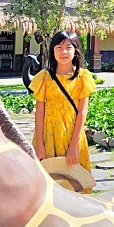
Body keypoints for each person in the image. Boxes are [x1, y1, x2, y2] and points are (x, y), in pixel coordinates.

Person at [29, 31, 96, 172]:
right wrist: (40, 145)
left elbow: (83, 112)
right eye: (59, 47)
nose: (63, 52)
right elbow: (39, 112)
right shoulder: (44, 77)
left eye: (68, 47)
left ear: (75, 50)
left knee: (74, 181)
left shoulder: (83, 77)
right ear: (52, 51)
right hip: (48, 135)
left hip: (73, 134)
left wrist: (73, 147)